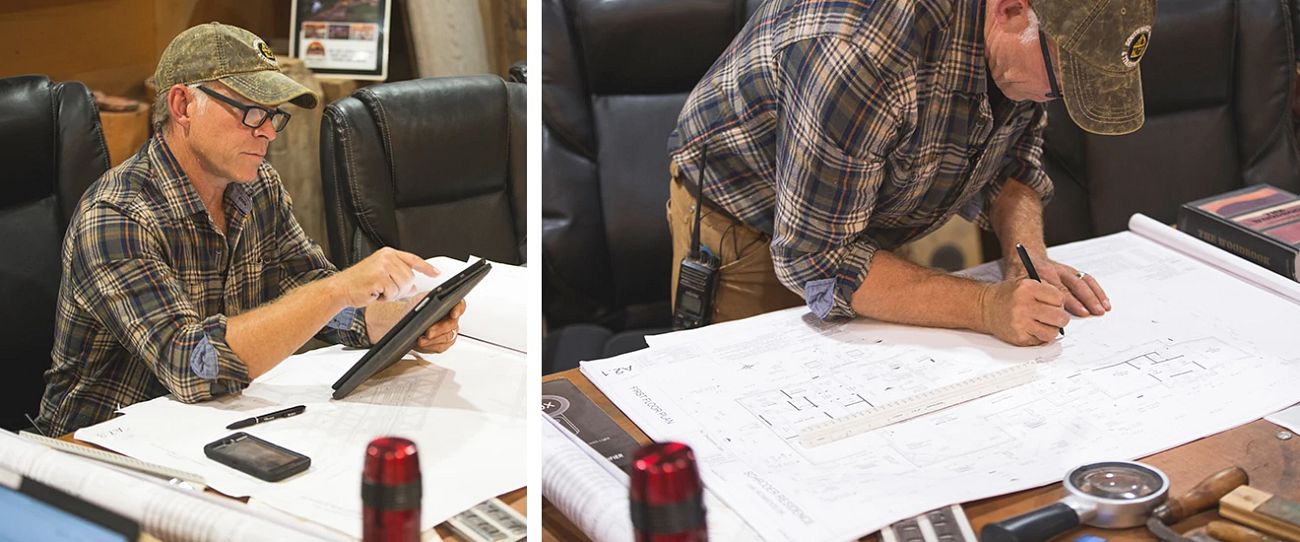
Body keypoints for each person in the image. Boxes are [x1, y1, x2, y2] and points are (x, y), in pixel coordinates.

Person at [36, 22, 464, 435]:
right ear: (183, 106)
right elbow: (191, 366)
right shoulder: (117, 215)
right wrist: (336, 289)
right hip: (95, 452)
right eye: (250, 111)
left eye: (273, 116)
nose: (267, 133)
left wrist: (406, 319)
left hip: (210, 426)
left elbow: (313, 294)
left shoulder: (258, 186)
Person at [667, 0, 1155, 345]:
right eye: (1062, 81)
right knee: (757, 429)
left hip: (863, 221)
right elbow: (819, 258)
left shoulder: (1026, 49)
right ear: (1011, 10)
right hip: (751, 218)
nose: (1061, 98)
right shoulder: (862, 49)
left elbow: (1015, 156)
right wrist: (986, 307)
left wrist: (1026, 256)